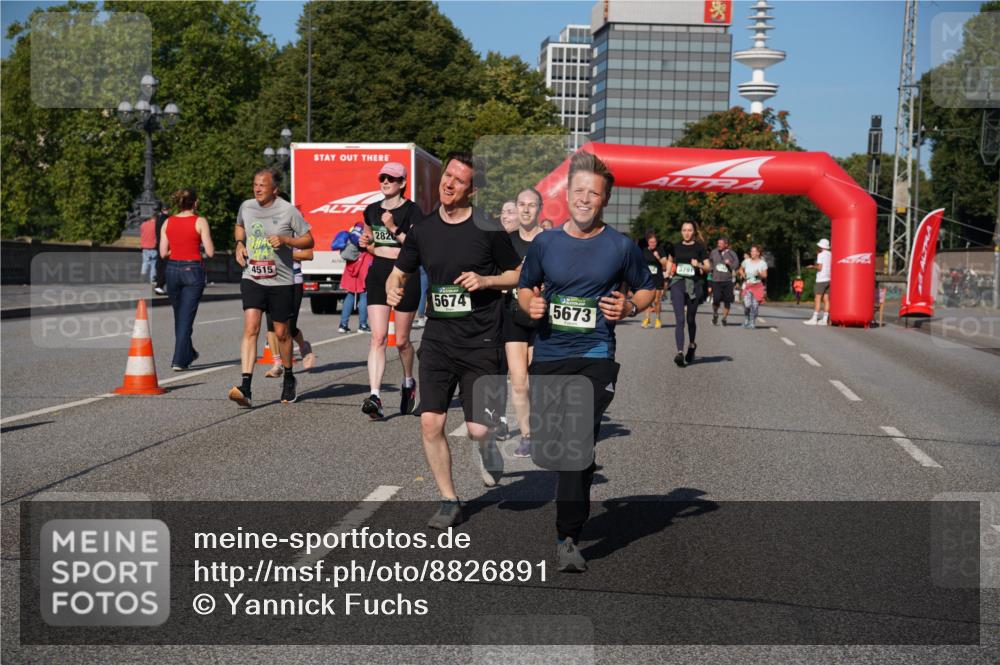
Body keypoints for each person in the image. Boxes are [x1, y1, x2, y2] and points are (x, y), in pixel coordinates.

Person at [518, 151, 654, 572]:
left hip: (595, 355)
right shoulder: (545, 243)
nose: (584, 199)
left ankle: (567, 537)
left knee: (576, 442)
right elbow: (525, 287)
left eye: (593, 194)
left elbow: (648, 288)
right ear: (567, 195)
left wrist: (630, 306)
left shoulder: (620, 246)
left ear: (604, 199)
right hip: (549, 355)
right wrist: (530, 305)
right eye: (579, 191)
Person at [387, 153, 522, 529]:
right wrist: (394, 288)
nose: (448, 183)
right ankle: (449, 499)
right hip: (438, 340)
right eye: (447, 175)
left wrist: (487, 280)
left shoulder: (488, 228)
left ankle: (488, 446)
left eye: (459, 180)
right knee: (431, 423)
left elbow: (517, 273)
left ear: (472, 190)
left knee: (479, 429)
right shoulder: (423, 229)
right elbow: (399, 271)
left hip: (482, 340)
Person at [228, 168, 313, 407]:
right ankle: (245, 386)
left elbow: (309, 240)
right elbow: (239, 225)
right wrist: (239, 244)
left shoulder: (288, 211)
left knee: (282, 333)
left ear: (274, 189)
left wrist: (286, 240)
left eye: (262, 185)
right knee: (251, 326)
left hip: (281, 281)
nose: (257, 189)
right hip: (252, 276)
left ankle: (289, 376)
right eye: (255, 184)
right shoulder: (246, 206)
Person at [358, 162, 423, 419]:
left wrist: (393, 227)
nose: (385, 182)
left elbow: (418, 245)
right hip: (378, 272)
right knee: (378, 337)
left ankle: (408, 382)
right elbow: (369, 242)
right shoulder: (371, 210)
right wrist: (365, 242)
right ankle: (375, 396)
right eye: (382, 178)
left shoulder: (413, 211)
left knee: (402, 341)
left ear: (402, 183)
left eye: (391, 178)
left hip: (405, 274)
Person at [505, 187, 544, 458]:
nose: (526, 209)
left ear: (539, 208)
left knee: (538, 379)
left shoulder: (550, 240)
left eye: (532, 205)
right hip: (513, 315)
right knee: (519, 381)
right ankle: (528, 435)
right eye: (522, 204)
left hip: (542, 318)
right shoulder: (505, 242)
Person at [160, 189, 214, 371]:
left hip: (172, 271)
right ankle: (179, 360)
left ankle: (188, 352)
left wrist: (177, 250)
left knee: (180, 316)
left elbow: (162, 253)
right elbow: (210, 252)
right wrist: (195, 249)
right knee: (186, 318)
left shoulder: (168, 222)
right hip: (192, 270)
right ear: (195, 202)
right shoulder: (200, 221)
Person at [265, 249, 318, 376]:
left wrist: (283, 253)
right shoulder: (266, 237)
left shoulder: (295, 237)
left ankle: (303, 346)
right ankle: (277, 364)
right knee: (271, 325)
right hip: (271, 281)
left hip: (293, 282)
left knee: (290, 327)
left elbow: (308, 255)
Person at [665, 221, 711, 367]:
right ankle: (679, 352)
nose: (686, 233)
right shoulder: (676, 246)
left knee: (690, 319)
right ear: (681, 231)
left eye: (689, 230)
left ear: (694, 232)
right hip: (678, 283)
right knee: (680, 319)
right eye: (684, 230)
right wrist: (668, 272)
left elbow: (708, 267)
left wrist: (699, 265)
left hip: (694, 285)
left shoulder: (699, 247)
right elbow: (670, 260)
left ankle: (691, 345)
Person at [339, 222, 372, 333]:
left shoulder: (354, 229)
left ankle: (343, 325)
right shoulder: (368, 228)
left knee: (350, 294)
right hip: (364, 263)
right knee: (364, 294)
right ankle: (362, 325)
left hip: (351, 265)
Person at [640, 230, 668, 329]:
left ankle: (658, 319)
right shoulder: (644, 251)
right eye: (651, 242)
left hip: (657, 278)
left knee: (656, 301)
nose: (653, 244)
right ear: (648, 242)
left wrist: (658, 257)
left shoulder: (660, 250)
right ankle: (647, 319)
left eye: (654, 242)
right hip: (647, 279)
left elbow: (665, 264)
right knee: (647, 301)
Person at [709, 237, 740, 326]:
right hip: (716, 280)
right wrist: (711, 270)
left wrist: (729, 263)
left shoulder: (732, 253)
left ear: (726, 245)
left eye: (721, 244)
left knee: (727, 301)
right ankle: (715, 313)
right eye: (718, 243)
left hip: (727, 281)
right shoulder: (714, 252)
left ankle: (724, 318)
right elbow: (710, 262)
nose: (719, 245)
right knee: (716, 299)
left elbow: (736, 265)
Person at [738, 245, 768, 329]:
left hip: (757, 286)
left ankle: (752, 322)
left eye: (754, 251)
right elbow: (740, 269)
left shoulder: (763, 263)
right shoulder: (746, 261)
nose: (752, 253)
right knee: (747, 305)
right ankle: (747, 319)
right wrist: (742, 274)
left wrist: (760, 274)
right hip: (748, 285)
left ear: (758, 253)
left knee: (755, 306)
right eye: (751, 251)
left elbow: (765, 275)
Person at [804, 238, 831, 325]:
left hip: (821, 279)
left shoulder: (821, 255)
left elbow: (820, 267)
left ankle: (814, 318)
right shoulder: (830, 254)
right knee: (826, 299)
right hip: (828, 278)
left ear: (821, 246)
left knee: (817, 299)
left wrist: (812, 266)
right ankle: (825, 319)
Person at [153, 205, 170, 295]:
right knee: (165, 266)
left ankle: (159, 285)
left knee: (161, 266)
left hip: (159, 244)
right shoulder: (167, 219)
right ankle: (160, 285)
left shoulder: (158, 219)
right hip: (165, 245)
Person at [140, 215, 158, 285]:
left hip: (144, 246)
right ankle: (152, 280)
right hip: (153, 247)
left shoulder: (143, 224)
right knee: (153, 264)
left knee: (145, 262)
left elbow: (142, 233)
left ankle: (143, 275)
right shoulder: (156, 226)